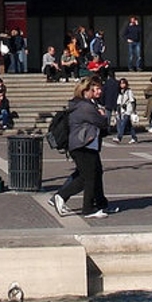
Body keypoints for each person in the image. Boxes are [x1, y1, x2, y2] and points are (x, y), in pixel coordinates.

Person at [51, 76, 115, 219]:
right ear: (87, 90)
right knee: (88, 177)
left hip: (87, 144)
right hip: (82, 145)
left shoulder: (87, 104)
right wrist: (103, 116)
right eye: (95, 89)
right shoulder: (85, 106)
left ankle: (99, 204)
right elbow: (101, 123)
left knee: (95, 174)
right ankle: (62, 197)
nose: (99, 91)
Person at [113, 78, 138, 144]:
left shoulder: (129, 91)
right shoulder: (120, 92)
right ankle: (134, 137)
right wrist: (117, 112)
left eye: (123, 83)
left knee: (123, 123)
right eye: (121, 83)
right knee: (129, 125)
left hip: (128, 110)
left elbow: (132, 101)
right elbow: (118, 103)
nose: (122, 85)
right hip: (122, 110)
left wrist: (133, 111)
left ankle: (119, 137)